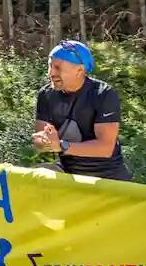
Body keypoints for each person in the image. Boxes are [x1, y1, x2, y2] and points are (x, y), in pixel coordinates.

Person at [32, 39, 132, 181]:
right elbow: (40, 141)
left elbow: (105, 148)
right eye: (50, 66)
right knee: (33, 176)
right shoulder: (46, 95)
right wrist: (44, 141)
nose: (51, 73)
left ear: (80, 70)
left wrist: (61, 145)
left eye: (58, 68)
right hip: (69, 173)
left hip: (107, 177)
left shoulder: (103, 94)